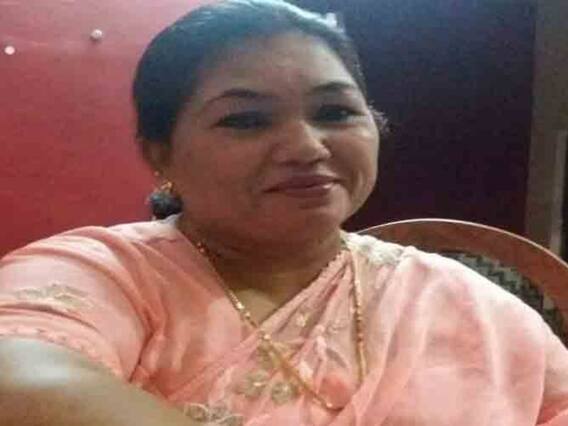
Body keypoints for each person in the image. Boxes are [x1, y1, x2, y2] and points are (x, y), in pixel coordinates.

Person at [0, 0, 567, 425]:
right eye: (246, 120)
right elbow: (19, 380)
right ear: (160, 154)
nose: (306, 147)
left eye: (335, 112)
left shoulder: (461, 299)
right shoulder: (106, 273)